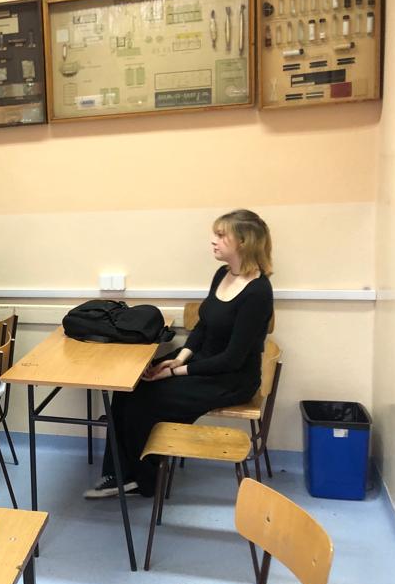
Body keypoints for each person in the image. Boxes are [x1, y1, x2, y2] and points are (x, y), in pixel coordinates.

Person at [89, 209, 274, 499]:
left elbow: (232, 359)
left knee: (144, 399)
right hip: (202, 362)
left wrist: (174, 372)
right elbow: (203, 325)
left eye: (221, 235)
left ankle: (145, 479)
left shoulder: (258, 292)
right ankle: (119, 473)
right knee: (128, 386)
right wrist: (180, 357)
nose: (213, 241)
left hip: (231, 379)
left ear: (243, 241)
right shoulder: (223, 274)